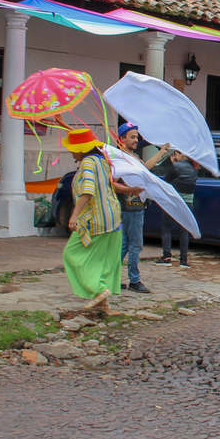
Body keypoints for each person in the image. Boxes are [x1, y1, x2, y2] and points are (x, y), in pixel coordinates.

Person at [63, 128, 143, 315]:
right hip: (112, 218)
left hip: (94, 220)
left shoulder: (88, 163)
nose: (71, 151)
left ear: (81, 149)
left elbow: (88, 190)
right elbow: (111, 185)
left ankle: (98, 290)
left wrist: (74, 215)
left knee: (72, 254)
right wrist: (130, 190)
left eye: (73, 148)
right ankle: (104, 304)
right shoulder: (102, 160)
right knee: (102, 259)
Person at [115, 122, 170, 294]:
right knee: (135, 245)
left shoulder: (130, 156)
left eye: (137, 137)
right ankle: (134, 280)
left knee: (124, 244)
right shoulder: (124, 157)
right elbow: (143, 170)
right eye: (132, 137)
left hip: (132, 206)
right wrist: (161, 152)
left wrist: (161, 152)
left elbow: (145, 168)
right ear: (122, 139)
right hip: (132, 206)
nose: (136, 140)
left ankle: (112, 278)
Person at [155, 151, 197, 269]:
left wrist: (173, 164)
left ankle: (167, 256)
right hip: (188, 202)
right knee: (184, 231)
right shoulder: (194, 168)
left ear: (181, 155)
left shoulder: (176, 167)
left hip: (174, 201)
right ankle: (183, 260)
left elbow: (166, 181)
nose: (174, 156)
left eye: (176, 154)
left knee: (167, 228)